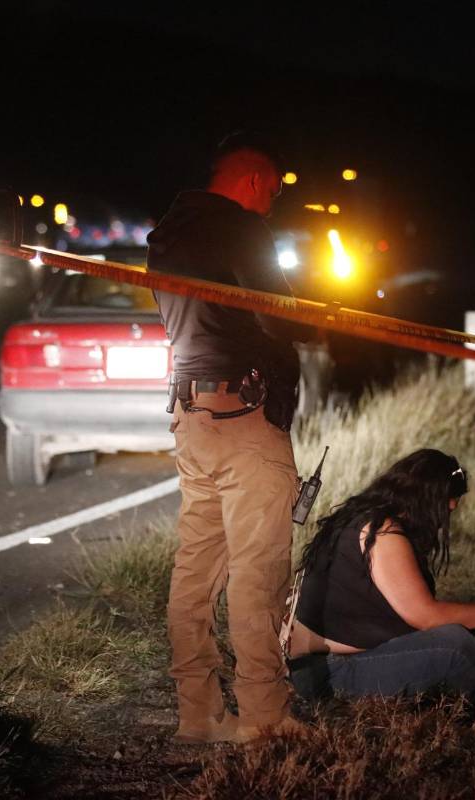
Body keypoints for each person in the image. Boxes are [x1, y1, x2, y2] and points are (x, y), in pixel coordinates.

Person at [148, 129, 310, 744]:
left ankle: (197, 713)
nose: (271, 203)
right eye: (270, 191)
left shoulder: (168, 233)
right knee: (257, 569)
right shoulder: (243, 229)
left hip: (192, 418)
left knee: (196, 571)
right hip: (244, 421)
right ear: (250, 181)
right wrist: (322, 319)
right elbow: (279, 313)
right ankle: (264, 716)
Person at [284, 449, 475, 737]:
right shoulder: (382, 534)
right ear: (425, 499)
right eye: (445, 506)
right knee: (454, 645)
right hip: (327, 674)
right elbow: (427, 616)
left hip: (328, 664)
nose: (446, 517)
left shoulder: (367, 517)